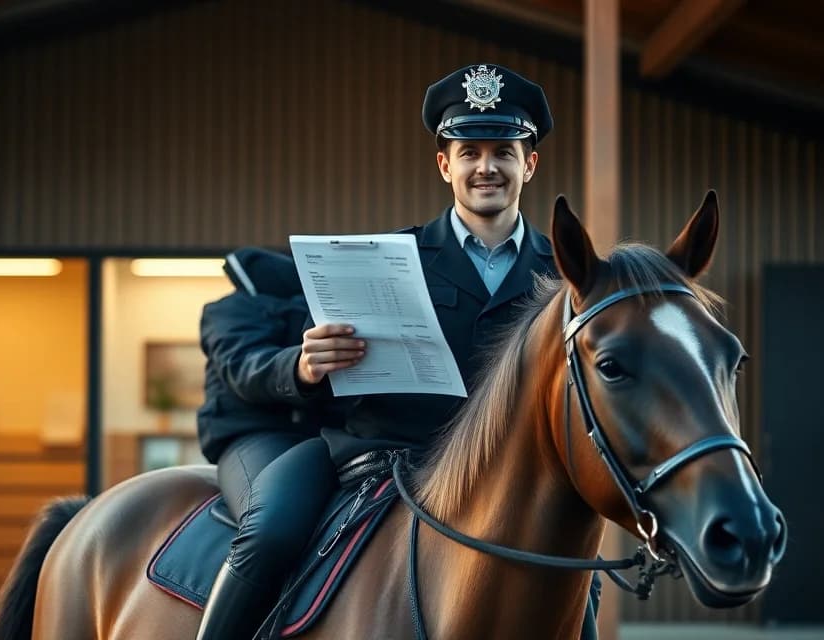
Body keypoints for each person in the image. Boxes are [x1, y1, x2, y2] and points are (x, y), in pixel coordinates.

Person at [266, 63, 601, 637]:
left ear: (530, 164)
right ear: (446, 165)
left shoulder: (568, 274)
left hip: (515, 488)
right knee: (269, 534)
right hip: (382, 469)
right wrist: (305, 364)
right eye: (469, 152)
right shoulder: (380, 258)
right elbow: (283, 358)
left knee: (578, 585)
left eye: (503, 150)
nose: (486, 167)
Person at [193, 247, 344, 640]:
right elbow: (244, 369)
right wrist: (300, 367)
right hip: (254, 438)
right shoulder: (229, 312)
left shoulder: (340, 313)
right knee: (272, 528)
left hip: (335, 441)